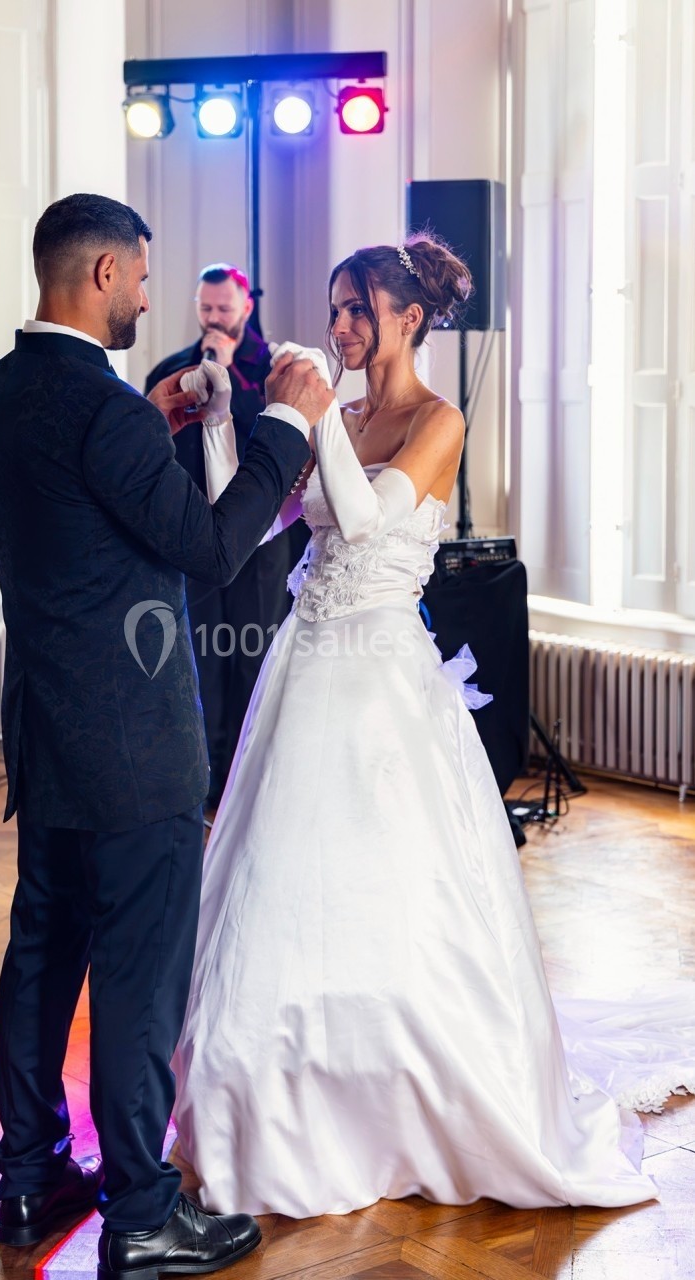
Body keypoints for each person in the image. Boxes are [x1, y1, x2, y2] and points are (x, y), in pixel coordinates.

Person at [172, 236, 695, 1218]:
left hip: (378, 680)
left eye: (358, 310)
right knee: (276, 887)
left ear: (409, 318)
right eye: (334, 309)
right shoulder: (349, 411)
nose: (340, 329)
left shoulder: (437, 419)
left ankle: (403, 1089)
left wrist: (317, 416)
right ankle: (271, 1103)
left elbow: (366, 521)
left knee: (391, 886)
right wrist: (215, 421)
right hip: (305, 662)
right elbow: (239, 516)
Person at [0, 193, 332, 1277]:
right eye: (138, 276)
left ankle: (29, 1176)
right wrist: (285, 428)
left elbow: (81, 516)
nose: (147, 298)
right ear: (102, 276)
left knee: (41, 956)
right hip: (134, 742)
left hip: (47, 729)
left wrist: (154, 426)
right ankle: (141, 1214)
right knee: (136, 972)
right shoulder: (105, 412)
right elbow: (212, 548)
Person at [145, 264, 309, 807]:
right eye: (206, 308)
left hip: (262, 539)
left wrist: (231, 376)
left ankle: (248, 777)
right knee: (201, 657)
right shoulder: (173, 370)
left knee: (253, 652)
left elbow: (277, 445)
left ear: (245, 307)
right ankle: (206, 777)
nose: (214, 317)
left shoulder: (276, 369)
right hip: (193, 538)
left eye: (224, 308)